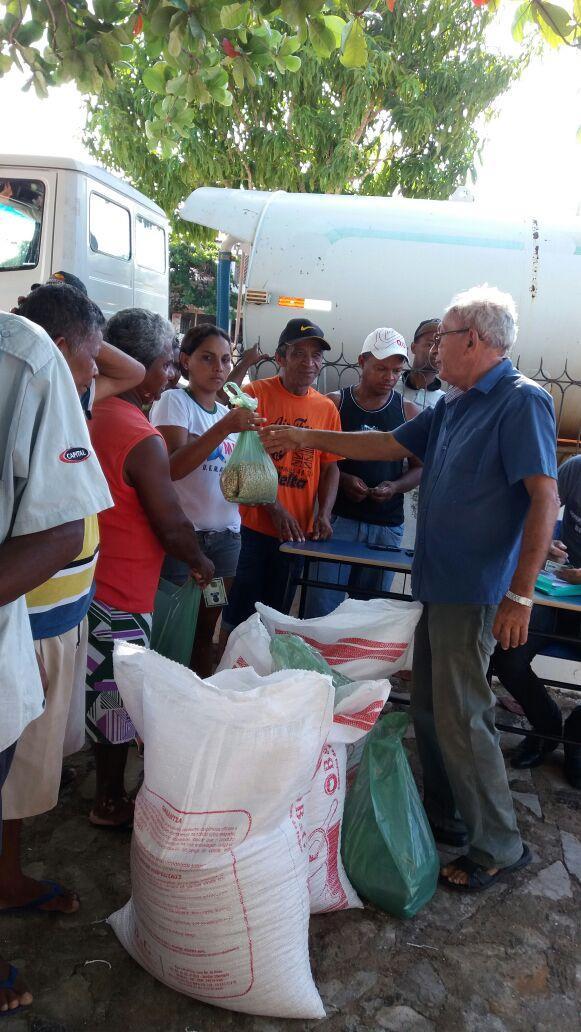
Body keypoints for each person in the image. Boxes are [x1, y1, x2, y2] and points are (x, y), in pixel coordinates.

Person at [261, 285, 559, 893]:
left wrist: (521, 595)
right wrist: (309, 438)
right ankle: (449, 816)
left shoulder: (519, 402)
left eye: (440, 340)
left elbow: (543, 499)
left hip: (473, 592)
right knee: (430, 709)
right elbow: (386, 444)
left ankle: (498, 844)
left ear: (472, 340)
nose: (430, 352)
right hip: (440, 584)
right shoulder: (457, 403)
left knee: (464, 716)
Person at [0, 284, 144, 916]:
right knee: (8, 769)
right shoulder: (31, 385)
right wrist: (51, 339)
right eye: (87, 358)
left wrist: (71, 321)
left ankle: (7, 876)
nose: (96, 372)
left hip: (64, 616)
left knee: (23, 776)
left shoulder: (71, 393)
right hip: (23, 621)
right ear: (58, 354)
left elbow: (131, 369)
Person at [0, 310, 112, 1015]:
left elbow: (62, 527)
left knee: (16, 790)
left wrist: (71, 339)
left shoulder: (23, 359)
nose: (97, 369)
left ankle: (7, 878)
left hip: (39, 626)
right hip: (39, 628)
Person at [86, 308, 214, 827]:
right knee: (114, 698)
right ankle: (110, 800)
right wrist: (201, 562)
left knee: (97, 690)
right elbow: (171, 523)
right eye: (167, 365)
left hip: (89, 580)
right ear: (141, 367)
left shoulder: (91, 409)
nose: (173, 375)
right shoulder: (140, 435)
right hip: (122, 587)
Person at [150, 324, 264, 676]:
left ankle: (200, 699)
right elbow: (172, 468)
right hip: (185, 543)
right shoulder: (175, 402)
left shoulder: (225, 415)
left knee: (205, 630)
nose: (219, 368)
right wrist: (226, 428)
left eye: (226, 360)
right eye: (207, 358)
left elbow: (235, 479)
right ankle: (161, 703)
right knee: (170, 629)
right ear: (185, 361)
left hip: (226, 542)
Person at [221, 318, 341, 633]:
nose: (310, 362)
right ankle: (229, 677)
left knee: (276, 620)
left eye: (316, 355)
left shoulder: (326, 408)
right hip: (252, 528)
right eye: (299, 353)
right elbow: (240, 460)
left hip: (295, 534)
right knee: (238, 617)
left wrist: (324, 514)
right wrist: (274, 508)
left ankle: (266, 679)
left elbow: (330, 466)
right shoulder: (254, 394)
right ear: (280, 357)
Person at [305, 327, 421, 618]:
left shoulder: (407, 412)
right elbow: (314, 460)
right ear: (361, 362)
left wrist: (394, 487)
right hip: (338, 521)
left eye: (396, 371)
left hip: (386, 528)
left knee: (369, 616)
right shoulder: (336, 403)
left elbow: (421, 468)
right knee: (322, 609)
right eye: (381, 368)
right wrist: (342, 480)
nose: (389, 378)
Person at [492, 454, 581, 786]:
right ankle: (547, 726)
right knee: (507, 651)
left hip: (573, 584)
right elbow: (538, 507)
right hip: (557, 593)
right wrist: (548, 544)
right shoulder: (575, 469)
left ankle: (576, 738)